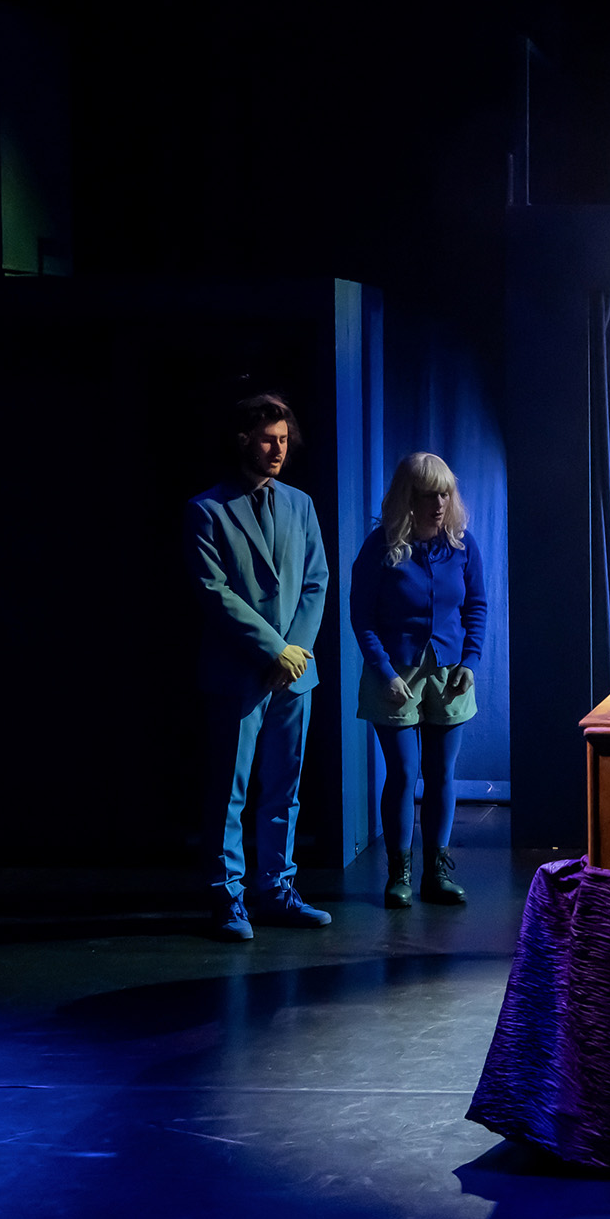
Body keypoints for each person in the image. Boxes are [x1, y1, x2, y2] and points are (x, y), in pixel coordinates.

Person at [185, 394, 333, 941]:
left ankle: (276, 889)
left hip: (294, 675)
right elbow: (213, 591)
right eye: (269, 439)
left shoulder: (300, 504)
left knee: (284, 788)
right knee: (231, 790)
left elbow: (316, 581)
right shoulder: (207, 509)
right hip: (239, 671)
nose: (278, 449)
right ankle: (228, 897)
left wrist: (295, 652)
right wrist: (274, 650)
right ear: (243, 439)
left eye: (284, 439)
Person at [350, 453, 488, 909]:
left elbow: (476, 607)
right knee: (404, 772)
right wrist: (384, 671)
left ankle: (436, 872)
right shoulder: (381, 547)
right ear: (408, 498)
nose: (439, 503)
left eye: (445, 493)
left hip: (448, 672)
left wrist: (470, 661)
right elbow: (362, 617)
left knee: (442, 773)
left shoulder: (462, 546)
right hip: (395, 672)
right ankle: (400, 873)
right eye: (429, 494)